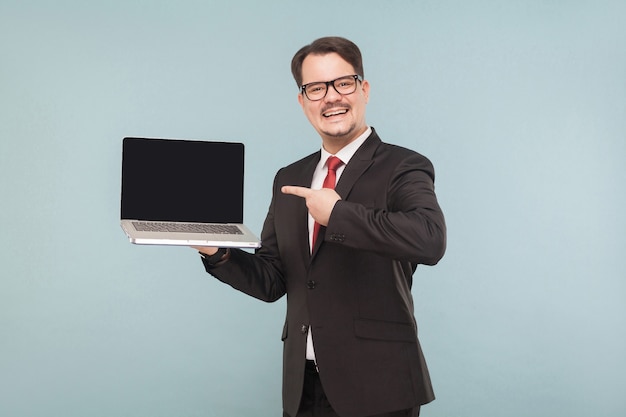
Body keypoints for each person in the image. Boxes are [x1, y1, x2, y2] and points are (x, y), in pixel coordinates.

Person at [195, 36, 446, 417]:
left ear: (364, 89)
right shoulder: (290, 177)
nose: (331, 97)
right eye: (316, 88)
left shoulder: (403, 166)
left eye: (342, 83)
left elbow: (429, 239)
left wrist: (340, 214)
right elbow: (273, 279)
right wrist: (215, 251)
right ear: (303, 101)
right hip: (303, 386)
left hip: (379, 385)